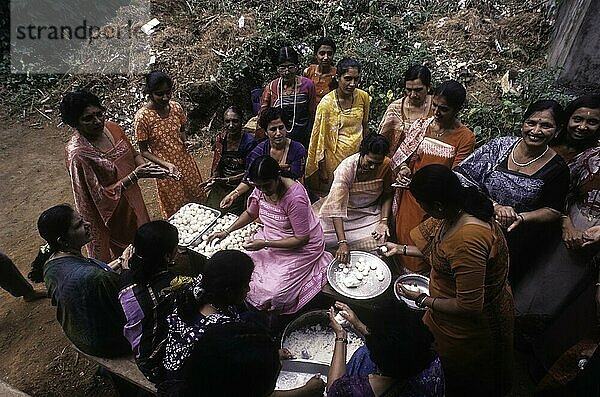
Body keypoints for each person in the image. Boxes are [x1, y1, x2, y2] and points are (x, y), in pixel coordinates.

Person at [382, 164, 514, 397]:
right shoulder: (458, 206)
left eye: (422, 205)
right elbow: (441, 254)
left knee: (453, 376)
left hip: (466, 328)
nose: (421, 210)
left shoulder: (468, 239)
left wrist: (423, 299)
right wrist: (401, 249)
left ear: (438, 207)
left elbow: (468, 306)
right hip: (443, 309)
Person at [519, 95, 600, 380]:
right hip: (544, 227)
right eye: (578, 119)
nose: (583, 126)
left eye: (592, 122)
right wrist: (566, 224)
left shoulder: (594, 156)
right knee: (531, 276)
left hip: (587, 237)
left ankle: (537, 345)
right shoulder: (545, 146)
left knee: (565, 292)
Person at [453, 100, 570, 291]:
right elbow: (461, 176)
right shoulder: (500, 146)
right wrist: (495, 206)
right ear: (523, 124)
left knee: (488, 288)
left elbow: (553, 210)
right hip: (473, 222)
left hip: (513, 239)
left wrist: (520, 218)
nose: (536, 130)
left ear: (557, 131)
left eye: (546, 125)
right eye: (531, 123)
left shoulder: (557, 168)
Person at [209, 156, 332, 314]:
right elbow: (251, 213)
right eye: (259, 187)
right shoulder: (261, 187)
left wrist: (265, 243)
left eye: (267, 186)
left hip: (301, 247)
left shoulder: (294, 198)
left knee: (275, 293)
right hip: (270, 237)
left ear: (277, 177)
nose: (263, 191)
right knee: (245, 273)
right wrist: (227, 231)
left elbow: (302, 238)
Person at [61, 91, 166, 263]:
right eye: (88, 118)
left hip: (133, 196)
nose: (97, 121)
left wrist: (148, 168)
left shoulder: (113, 128)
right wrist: (134, 176)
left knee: (143, 231)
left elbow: (132, 154)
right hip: (113, 212)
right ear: (75, 123)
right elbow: (97, 197)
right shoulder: (78, 154)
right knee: (127, 248)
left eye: (99, 114)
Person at [391, 80, 475, 273]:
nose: (436, 112)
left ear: (457, 109)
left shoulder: (465, 137)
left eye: (443, 109)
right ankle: (399, 276)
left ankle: (418, 281)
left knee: (424, 242)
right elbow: (405, 156)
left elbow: (457, 176)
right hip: (411, 196)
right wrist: (404, 169)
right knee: (403, 235)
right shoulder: (422, 126)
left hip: (436, 203)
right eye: (435, 105)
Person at [29, 204, 131, 357]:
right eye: (79, 225)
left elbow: (96, 274)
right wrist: (128, 270)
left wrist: (120, 260)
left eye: (82, 220)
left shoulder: (51, 264)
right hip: (108, 343)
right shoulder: (98, 278)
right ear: (62, 240)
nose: (88, 224)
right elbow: (128, 301)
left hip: (78, 335)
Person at [326, 301, 444, 397]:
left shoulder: (357, 392)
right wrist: (358, 324)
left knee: (361, 354)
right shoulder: (430, 361)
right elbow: (399, 343)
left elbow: (333, 389)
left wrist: (341, 335)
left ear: (378, 358)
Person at [182, 322, 326, 397]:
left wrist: (269, 353)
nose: (281, 367)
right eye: (274, 375)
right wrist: (306, 391)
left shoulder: (207, 373)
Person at [134, 70, 206, 218]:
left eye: (168, 92)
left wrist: (186, 142)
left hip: (185, 162)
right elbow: (144, 151)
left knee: (197, 196)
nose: (165, 97)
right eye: (159, 94)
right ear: (150, 93)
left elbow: (182, 129)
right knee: (176, 206)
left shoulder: (176, 108)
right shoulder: (143, 117)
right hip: (165, 169)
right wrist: (166, 165)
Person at [313, 133, 394, 262]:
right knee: (318, 235)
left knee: (379, 240)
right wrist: (342, 242)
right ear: (362, 153)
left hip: (369, 212)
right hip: (342, 212)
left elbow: (388, 193)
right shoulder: (346, 169)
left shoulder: (386, 165)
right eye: (370, 162)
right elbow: (335, 207)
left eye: (377, 164)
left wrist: (383, 221)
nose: (373, 167)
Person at [119, 220, 179, 383]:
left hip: (142, 356)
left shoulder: (125, 277)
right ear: (168, 255)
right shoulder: (176, 285)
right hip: (160, 365)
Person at [305, 57, 371, 197]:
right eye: (347, 78)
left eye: (356, 79)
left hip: (356, 159)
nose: (352, 84)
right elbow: (320, 139)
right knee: (335, 197)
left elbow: (365, 126)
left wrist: (365, 154)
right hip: (333, 162)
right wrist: (322, 170)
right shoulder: (326, 104)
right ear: (338, 77)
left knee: (353, 198)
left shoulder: (363, 97)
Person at [219, 107, 307, 209]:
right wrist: (233, 195)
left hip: (291, 197)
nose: (278, 133)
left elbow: (296, 180)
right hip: (266, 197)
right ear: (266, 132)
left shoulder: (297, 149)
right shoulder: (258, 151)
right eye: (273, 129)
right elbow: (248, 179)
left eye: (281, 127)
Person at [257, 46, 317, 148]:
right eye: (282, 67)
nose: (287, 71)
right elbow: (263, 116)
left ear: (297, 67)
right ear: (277, 68)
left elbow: (313, 114)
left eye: (291, 67)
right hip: (278, 139)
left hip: (303, 138)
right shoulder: (272, 87)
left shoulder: (308, 85)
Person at [203, 106, 257, 214]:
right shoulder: (221, 139)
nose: (231, 125)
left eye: (235, 121)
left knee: (231, 214)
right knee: (211, 211)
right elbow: (217, 163)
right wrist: (214, 178)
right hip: (221, 183)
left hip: (241, 184)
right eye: (227, 121)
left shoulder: (249, 142)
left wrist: (229, 180)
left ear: (242, 121)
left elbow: (250, 172)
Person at [378, 65, 434, 155]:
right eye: (409, 90)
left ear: (428, 87)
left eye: (418, 90)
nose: (412, 95)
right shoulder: (395, 108)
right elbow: (382, 140)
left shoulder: (436, 108)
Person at [303, 37, 337, 104]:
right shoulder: (308, 72)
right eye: (322, 53)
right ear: (316, 55)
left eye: (329, 54)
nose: (326, 57)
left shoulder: (337, 75)